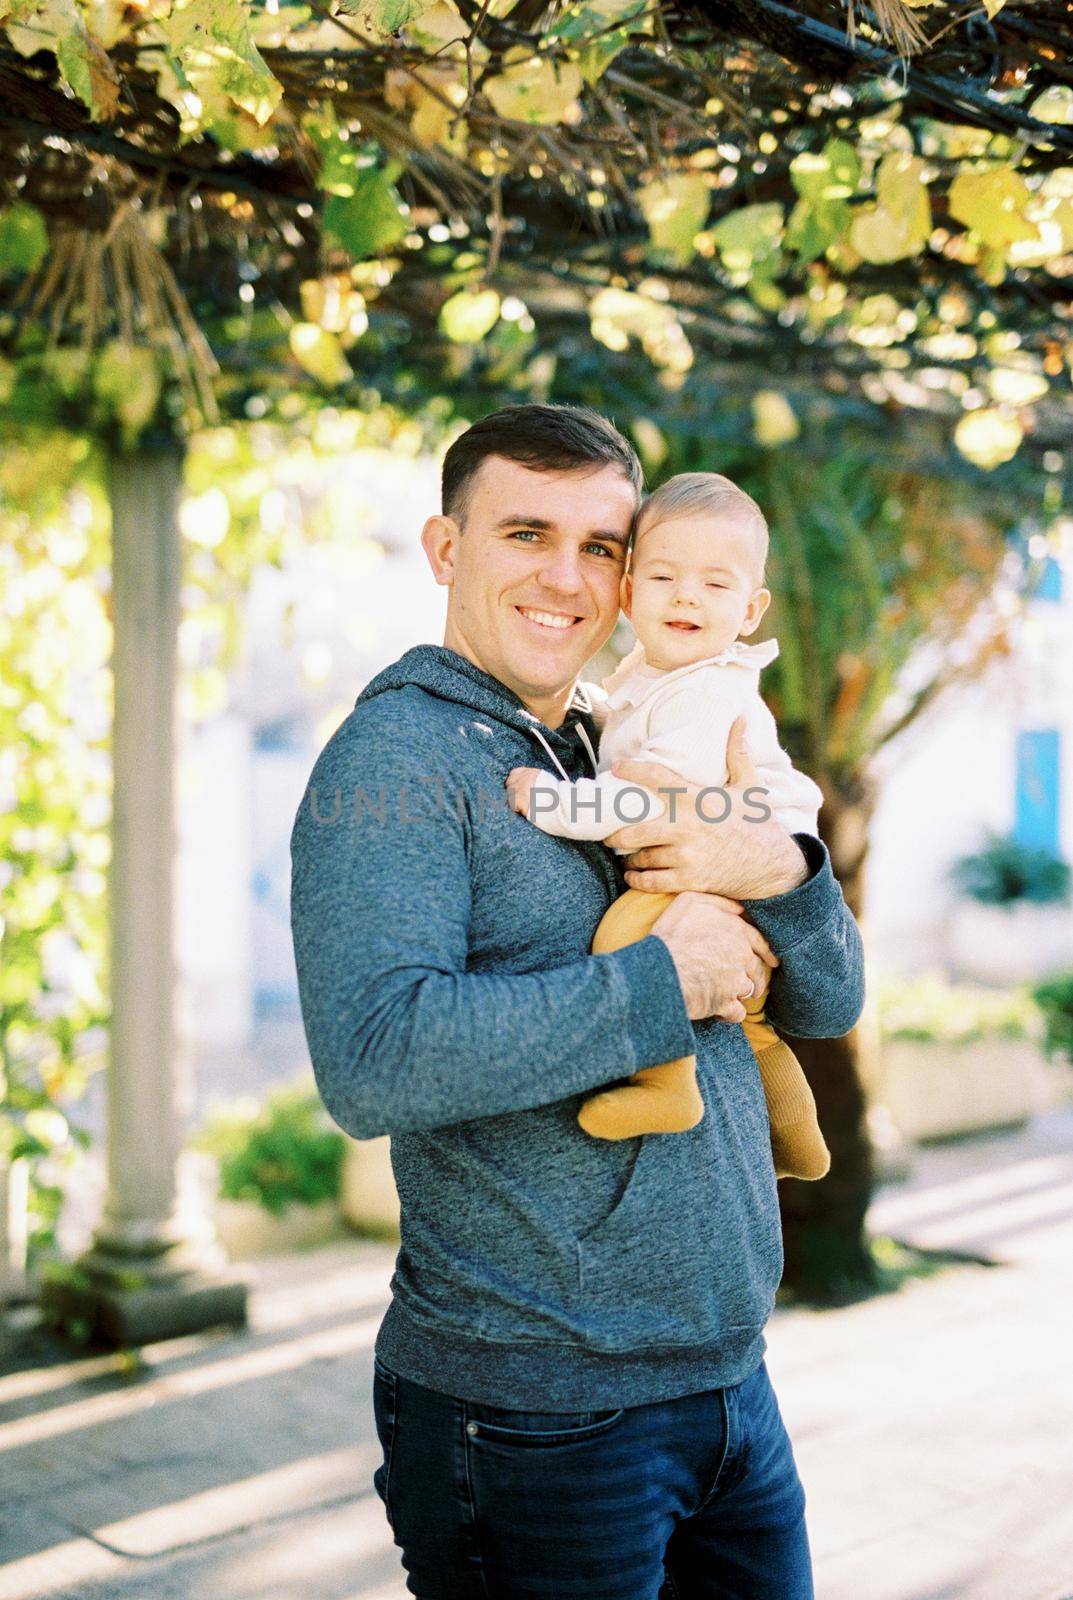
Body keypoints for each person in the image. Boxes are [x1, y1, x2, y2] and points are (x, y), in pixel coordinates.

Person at [289, 403, 865, 1599]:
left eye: (601, 545)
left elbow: (830, 994)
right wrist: (667, 981)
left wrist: (785, 872)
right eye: (524, 533)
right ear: (446, 548)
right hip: (534, 1420)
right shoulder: (395, 764)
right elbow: (373, 1059)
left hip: (727, 1389)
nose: (567, 577)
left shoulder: (623, 741)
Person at [504, 470, 831, 1180]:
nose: (685, 595)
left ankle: (666, 1085)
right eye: (661, 577)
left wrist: (554, 801)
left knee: (624, 936)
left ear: (750, 608)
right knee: (753, 1025)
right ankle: (799, 1142)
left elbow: (644, 801)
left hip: (738, 858)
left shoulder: (707, 693)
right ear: (628, 594)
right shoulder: (646, 676)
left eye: (715, 584)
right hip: (734, 856)